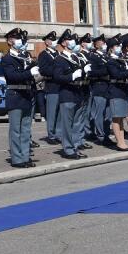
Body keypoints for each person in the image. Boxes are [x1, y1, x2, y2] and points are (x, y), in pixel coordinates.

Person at [1, 27, 38, 167]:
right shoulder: (7, 59)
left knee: (26, 129)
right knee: (16, 130)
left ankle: (25, 156)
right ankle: (17, 159)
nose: (20, 41)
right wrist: (29, 73)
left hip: (27, 95)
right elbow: (12, 76)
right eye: (17, 38)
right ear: (10, 41)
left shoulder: (25, 57)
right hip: (15, 95)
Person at [49, 29, 88, 159]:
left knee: (77, 123)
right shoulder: (59, 59)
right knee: (67, 125)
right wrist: (72, 76)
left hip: (78, 93)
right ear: (64, 43)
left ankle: (75, 147)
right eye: (70, 40)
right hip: (67, 94)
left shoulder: (76, 58)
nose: (73, 42)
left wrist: (85, 72)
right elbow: (57, 77)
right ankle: (68, 149)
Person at [104, 35, 128, 151]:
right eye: (116, 45)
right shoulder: (110, 61)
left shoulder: (120, 59)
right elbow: (116, 75)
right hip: (115, 90)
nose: (119, 47)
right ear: (111, 48)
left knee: (121, 118)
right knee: (116, 118)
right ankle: (119, 143)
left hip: (123, 90)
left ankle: (122, 141)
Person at [86, 33, 112, 147]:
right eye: (101, 42)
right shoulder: (93, 57)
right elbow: (92, 73)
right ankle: (100, 135)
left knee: (108, 114)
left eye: (104, 42)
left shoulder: (106, 56)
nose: (104, 44)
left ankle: (106, 134)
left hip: (108, 87)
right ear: (96, 45)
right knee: (99, 113)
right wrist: (107, 70)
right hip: (99, 86)